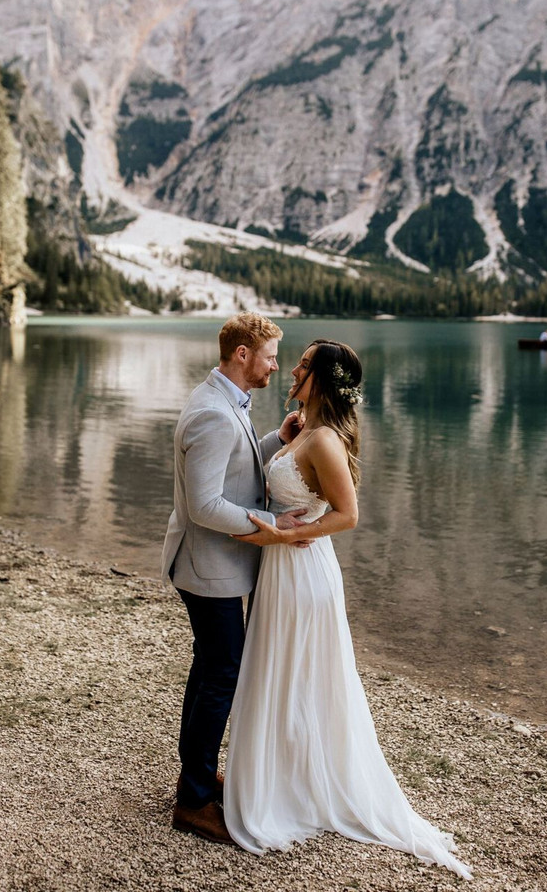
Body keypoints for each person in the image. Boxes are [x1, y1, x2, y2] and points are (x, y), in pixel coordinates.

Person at [222, 339, 472, 880]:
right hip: (284, 570)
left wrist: (293, 535)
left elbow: (349, 513)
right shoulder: (305, 431)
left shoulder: (327, 439)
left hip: (303, 571)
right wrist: (284, 445)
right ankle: (285, 778)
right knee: (281, 674)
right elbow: (291, 487)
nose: (292, 369)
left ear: (324, 379)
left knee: (300, 677)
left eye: (304, 365)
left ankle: (296, 788)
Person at [161, 312, 306, 845]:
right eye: (269, 355)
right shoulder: (212, 413)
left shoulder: (224, 401)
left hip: (213, 563)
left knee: (211, 670)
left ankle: (195, 776)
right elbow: (204, 505)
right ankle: (194, 800)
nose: (275, 365)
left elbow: (233, 471)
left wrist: (273, 440)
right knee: (221, 673)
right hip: (208, 566)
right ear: (242, 354)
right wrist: (272, 526)